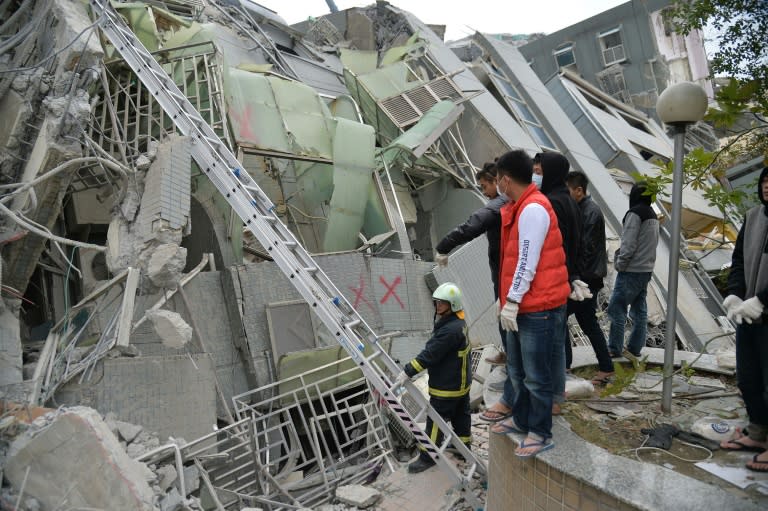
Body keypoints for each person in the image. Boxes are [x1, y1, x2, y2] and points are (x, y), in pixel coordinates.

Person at [487, 150, 570, 457]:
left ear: (505, 180)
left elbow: (526, 261)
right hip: (525, 304)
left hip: (536, 308)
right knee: (518, 370)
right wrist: (506, 299)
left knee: (536, 376)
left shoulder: (533, 209)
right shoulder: (519, 206)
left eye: (497, 179)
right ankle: (521, 420)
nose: (497, 185)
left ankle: (540, 431)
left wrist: (512, 300)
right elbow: (514, 261)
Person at [435, 163, 508, 365]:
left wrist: (443, 246)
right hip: (502, 269)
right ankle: (509, 355)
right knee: (503, 314)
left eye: (485, 186)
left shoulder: (499, 205)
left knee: (505, 314)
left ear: (497, 181)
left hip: (504, 272)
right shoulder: (507, 202)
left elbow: (472, 225)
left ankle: (512, 362)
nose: (483, 192)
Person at [720, 166, 768, 472]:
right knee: (749, 378)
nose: (767, 187)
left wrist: (763, 300)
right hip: (748, 315)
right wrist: (735, 294)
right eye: (765, 181)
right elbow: (738, 260)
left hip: (764, 310)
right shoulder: (753, 216)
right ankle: (759, 433)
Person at [395, 282, 472, 473]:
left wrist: (407, 371)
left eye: (442, 303)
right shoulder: (458, 323)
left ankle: (427, 457)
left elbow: (429, 355)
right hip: (460, 385)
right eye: (436, 302)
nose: (437, 306)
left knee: (435, 422)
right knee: (461, 417)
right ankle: (464, 450)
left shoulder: (449, 331)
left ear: (452, 305)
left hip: (447, 387)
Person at [535, 152, 588, 413]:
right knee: (556, 343)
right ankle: (557, 396)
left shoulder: (552, 203)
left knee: (548, 345)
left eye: (539, 171)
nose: (535, 176)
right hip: (563, 279)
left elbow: (557, 244)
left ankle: (550, 398)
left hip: (552, 280)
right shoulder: (568, 200)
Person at [566, 171, 614, 385]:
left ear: (579, 190)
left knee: (568, 319)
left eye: (569, 191)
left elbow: (584, 248)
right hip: (585, 278)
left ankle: (566, 366)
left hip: (586, 280)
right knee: (586, 322)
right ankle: (605, 367)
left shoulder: (590, 211)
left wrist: (575, 278)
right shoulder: (581, 208)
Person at [606, 182, 660, 359]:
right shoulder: (653, 215)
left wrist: (620, 264)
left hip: (631, 269)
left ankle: (614, 348)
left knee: (617, 308)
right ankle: (634, 348)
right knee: (639, 309)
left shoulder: (634, 214)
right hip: (645, 270)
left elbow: (628, 244)